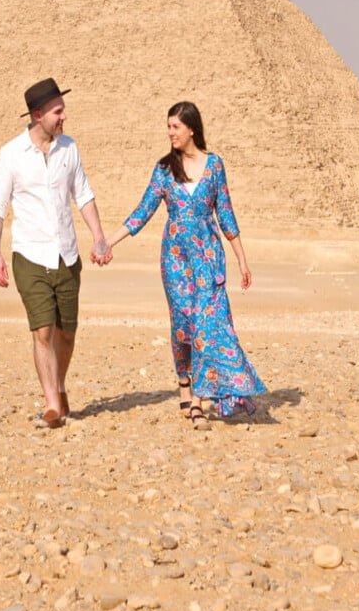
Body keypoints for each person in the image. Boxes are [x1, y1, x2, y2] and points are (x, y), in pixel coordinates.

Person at [105, 101, 265, 429]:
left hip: (208, 258)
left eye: (175, 127)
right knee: (183, 325)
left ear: (191, 128)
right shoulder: (164, 169)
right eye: (168, 127)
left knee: (210, 324)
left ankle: (201, 399)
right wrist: (109, 242)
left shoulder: (215, 166)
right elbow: (142, 211)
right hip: (175, 260)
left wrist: (242, 259)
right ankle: (186, 387)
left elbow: (227, 214)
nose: (170, 133)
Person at [0, 78, 110, 429]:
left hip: (67, 255)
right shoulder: (10, 154)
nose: (64, 117)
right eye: (58, 111)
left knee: (66, 333)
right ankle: (52, 404)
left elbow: (83, 195)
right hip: (30, 255)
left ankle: (59, 384)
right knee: (43, 331)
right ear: (38, 114)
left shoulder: (69, 149)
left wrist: (99, 236)